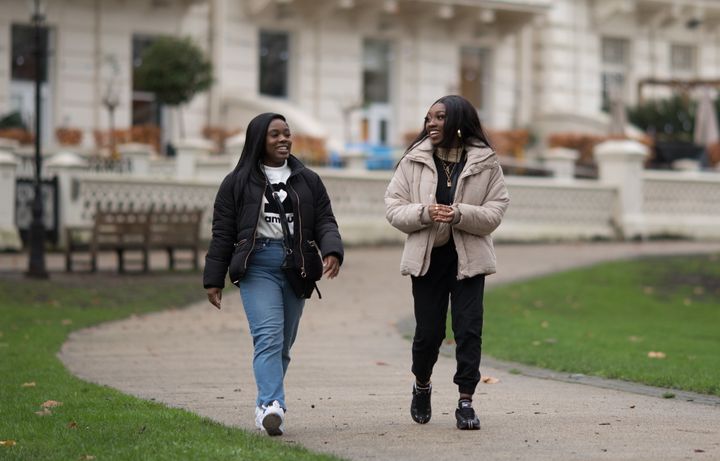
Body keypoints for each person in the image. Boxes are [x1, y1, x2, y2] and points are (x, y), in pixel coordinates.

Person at [203, 112, 343, 436]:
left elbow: (324, 220)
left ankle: (266, 403)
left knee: (283, 344)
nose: (283, 139)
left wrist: (333, 250)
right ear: (259, 141)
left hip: (297, 267)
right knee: (267, 336)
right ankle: (271, 405)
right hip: (257, 265)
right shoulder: (237, 183)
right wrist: (214, 278)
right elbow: (222, 233)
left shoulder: (307, 180)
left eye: (287, 133)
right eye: (274, 135)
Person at [384, 95, 509, 430]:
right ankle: (421, 385)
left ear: (457, 122)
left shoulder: (485, 163)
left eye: (439, 117)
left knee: (468, 330)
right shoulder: (414, 160)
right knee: (428, 333)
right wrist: (424, 212)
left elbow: (495, 212)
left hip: (470, 259)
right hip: (428, 259)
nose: (431, 124)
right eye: (428, 118)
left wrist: (459, 214)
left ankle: (465, 401)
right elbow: (393, 207)